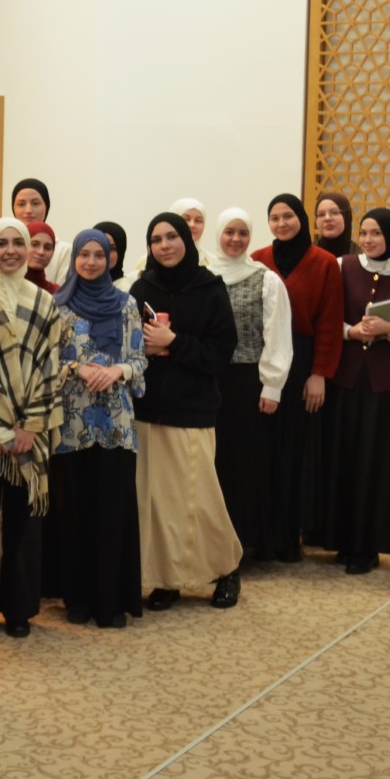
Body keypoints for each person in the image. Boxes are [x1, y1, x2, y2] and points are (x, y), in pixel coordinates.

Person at [130, 213, 242, 610]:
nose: (164, 246)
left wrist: (173, 341)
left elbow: (220, 353)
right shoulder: (142, 287)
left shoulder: (210, 287)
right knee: (158, 503)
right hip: (148, 411)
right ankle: (167, 578)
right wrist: (145, 347)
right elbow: (126, 342)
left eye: (172, 237)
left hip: (192, 409)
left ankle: (227, 568)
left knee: (199, 499)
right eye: (156, 239)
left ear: (187, 241)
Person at [0, 218, 63, 638]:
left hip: (29, 435)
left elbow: (51, 367)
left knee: (25, 527)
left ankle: (19, 608)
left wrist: (31, 426)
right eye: (1, 243)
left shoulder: (44, 302)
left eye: (17, 243)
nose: (10, 251)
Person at [50, 229, 147, 629]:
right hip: (71, 425)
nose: (91, 262)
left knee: (113, 512)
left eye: (98, 255)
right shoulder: (58, 306)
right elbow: (46, 361)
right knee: (74, 512)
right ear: (74, 259)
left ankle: (111, 602)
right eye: (84, 254)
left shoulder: (127, 305)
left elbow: (139, 360)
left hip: (116, 426)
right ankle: (77, 599)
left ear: (110, 259)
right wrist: (77, 368)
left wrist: (117, 370)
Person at [251, 194, 343, 560]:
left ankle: (289, 536)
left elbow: (330, 323)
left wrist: (319, 374)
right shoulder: (258, 259)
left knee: (295, 449)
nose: (281, 223)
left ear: (301, 219)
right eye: (274, 217)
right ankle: (260, 534)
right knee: (265, 448)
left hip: (303, 361)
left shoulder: (323, 262)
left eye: (288, 216)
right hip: (266, 361)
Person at [329, 209, 390, 573]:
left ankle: (366, 546)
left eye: (377, 233)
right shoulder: (343, 266)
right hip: (346, 378)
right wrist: (351, 331)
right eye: (364, 232)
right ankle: (340, 539)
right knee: (344, 455)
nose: (368, 240)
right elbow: (327, 319)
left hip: (385, 383)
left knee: (374, 462)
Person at [209, 208, 291, 560]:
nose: (236, 239)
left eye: (243, 233)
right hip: (208, 380)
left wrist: (272, 385)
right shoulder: (204, 275)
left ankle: (246, 543)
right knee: (210, 462)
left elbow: (277, 335)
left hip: (247, 382)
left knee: (244, 464)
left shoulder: (266, 279)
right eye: (229, 232)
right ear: (218, 234)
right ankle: (211, 545)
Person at [10, 177, 71, 284]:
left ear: (46, 207)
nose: (28, 210)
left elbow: (62, 291)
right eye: (21, 204)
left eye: (35, 203)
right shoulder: (0, 247)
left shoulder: (63, 250)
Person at [314, 192, 354, 259]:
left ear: (346, 217)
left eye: (334, 213)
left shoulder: (362, 257)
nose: (327, 218)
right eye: (321, 214)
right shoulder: (306, 254)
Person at [25, 220, 58, 294]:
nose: (41, 252)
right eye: (34, 244)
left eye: (47, 247)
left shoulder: (58, 294)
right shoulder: (6, 286)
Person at [96, 220, 130, 291]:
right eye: (99, 247)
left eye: (111, 248)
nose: (104, 253)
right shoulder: (76, 288)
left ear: (120, 252)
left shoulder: (127, 290)